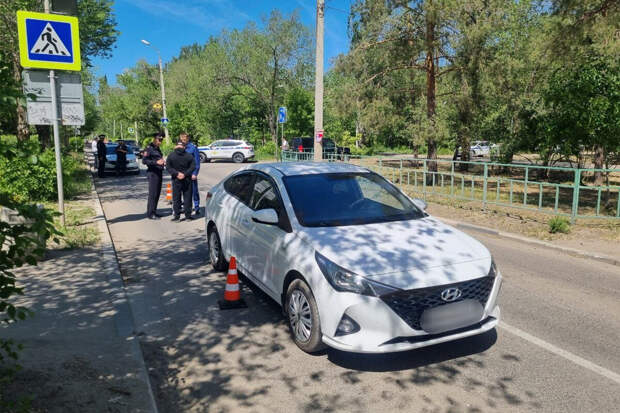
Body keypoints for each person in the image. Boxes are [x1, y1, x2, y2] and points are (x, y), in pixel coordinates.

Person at [166, 139, 196, 221]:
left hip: (176, 179)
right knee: (187, 197)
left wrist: (176, 173)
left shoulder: (171, 155)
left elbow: (168, 167)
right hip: (187, 179)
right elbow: (193, 166)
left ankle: (177, 216)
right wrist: (185, 174)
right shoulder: (189, 155)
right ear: (184, 146)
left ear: (176, 146)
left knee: (176, 198)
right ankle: (188, 216)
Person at [143, 133, 165, 220]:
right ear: (155, 139)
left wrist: (162, 162)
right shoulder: (149, 148)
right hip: (152, 173)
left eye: (161, 140)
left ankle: (154, 211)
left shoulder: (157, 148)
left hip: (159, 172)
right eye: (159, 140)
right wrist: (156, 162)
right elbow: (144, 161)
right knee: (153, 194)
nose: (160, 142)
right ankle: (150, 213)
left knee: (157, 193)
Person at [180, 133, 201, 215]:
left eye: (185, 139)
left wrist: (195, 173)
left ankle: (197, 207)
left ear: (188, 139)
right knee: (185, 191)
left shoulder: (193, 148)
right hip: (183, 173)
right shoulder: (180, 147)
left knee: (194, 191)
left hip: (191, 173)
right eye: (182, 139)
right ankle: (186, 207)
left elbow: (197, 162)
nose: (183, 141)